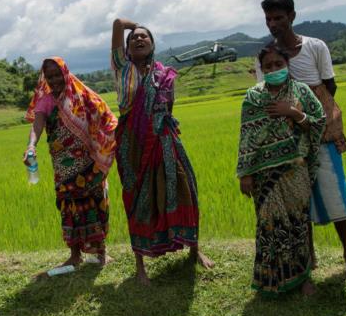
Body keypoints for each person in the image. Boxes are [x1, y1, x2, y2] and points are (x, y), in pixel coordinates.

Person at [258, 0, 346, 282]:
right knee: (298, 198)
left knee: (334, 190)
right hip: (286, 137)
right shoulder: (268, 55)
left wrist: (307, 115)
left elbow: (329, 86)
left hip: (320, 130)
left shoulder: (315, 46)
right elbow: (265, 96)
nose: (273, 24)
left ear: (292, 16)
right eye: (268, 19)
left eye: (279, 17)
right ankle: (308, 257)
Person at [110, 18, 214, 284]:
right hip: (133, 143)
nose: (139, 39)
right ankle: (140, 266)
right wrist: (134, 25)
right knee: (136, 197)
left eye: (145, 36)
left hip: (165, 140)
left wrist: (160, 132)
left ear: (153, 44)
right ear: (126, 49)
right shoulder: (122, 68)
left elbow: (170, 108)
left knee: (183, 186)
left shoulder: (164, 74)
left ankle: (194, 250)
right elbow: (118, 23)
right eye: (134, 38)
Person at [239, 45, 326, 296]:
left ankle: (304, 277)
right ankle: (272, 279)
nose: (274, 69)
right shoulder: (253, 97)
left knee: (298, 222)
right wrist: (245, 174)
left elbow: (318, 122)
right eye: (268, 66)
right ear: (262, 69)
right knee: (269, 225)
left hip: (295, 170)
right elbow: (247, 137)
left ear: (287, 64)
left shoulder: (301, 91)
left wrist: (294, 113)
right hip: (265, 175)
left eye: (278, 64)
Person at [23, 57, 118, 267]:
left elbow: (105, 115)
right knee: (68, 206)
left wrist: (109, 137)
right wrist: (31, 146)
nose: (54, 80)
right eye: (50, 76)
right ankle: (75, 255)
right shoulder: (45, 101)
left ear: (65, 73)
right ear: (45, 79)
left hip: (88, 163)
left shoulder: (82, 95)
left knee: (95, 202)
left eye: (57, 75)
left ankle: (99, 253)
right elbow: (37, 126)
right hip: (63, 167)